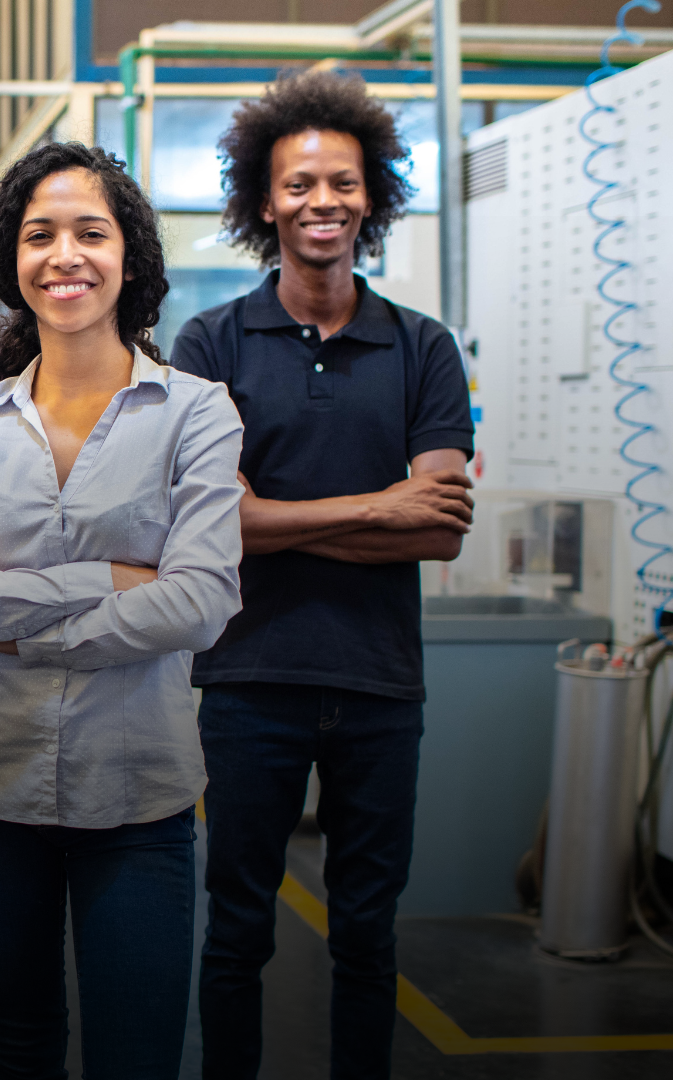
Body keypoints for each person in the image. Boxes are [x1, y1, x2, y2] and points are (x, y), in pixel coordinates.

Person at [0, 141, 244, 1079]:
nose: (65, 256)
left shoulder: (198, 413)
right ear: (14, 257)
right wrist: (111, 581)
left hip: (139, 793)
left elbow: (204, 601)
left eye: (91, 232)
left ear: (130, 256)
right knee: (14, 1047)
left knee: (136, 1057)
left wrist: (2, 615)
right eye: (40, 234)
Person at [168, 70, 476, 1080]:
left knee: (367, 935)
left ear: (372, 196)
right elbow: (211, 523)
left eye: (342, 183)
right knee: (237, 930)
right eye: (299, 184)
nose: (322, 203)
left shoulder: (422, 347)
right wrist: (378, 505)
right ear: (265, 200)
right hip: (249, 682)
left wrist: (277, 521)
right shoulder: (212, 343)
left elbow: (439, 530)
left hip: (381, 686)